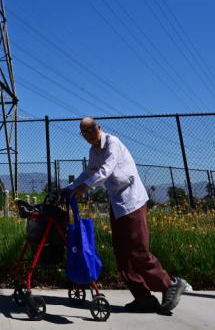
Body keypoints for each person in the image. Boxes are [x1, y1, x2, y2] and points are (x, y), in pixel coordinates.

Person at [68, 117, 188, 314]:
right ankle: (143, 299)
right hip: (117, 204)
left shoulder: (112, 143)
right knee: (122, 254)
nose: (88, 135)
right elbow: (89, 171)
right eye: (84, 132)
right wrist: (69, 188)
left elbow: (106, 170)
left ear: (98, 127)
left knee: (138, 250)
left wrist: (84, 188)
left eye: (90, 129)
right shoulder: (94, 151)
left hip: (132, 201)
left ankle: (170, 285)